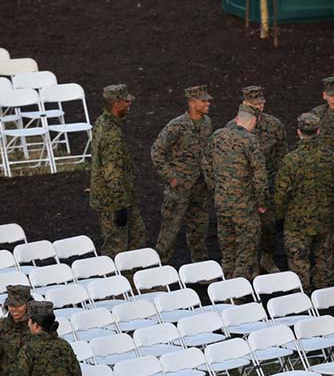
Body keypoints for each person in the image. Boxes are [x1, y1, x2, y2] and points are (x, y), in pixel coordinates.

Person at [273, 112, 334, 292]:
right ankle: (324, 297)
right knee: (325, 260)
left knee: (298, 261)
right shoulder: (331, 157)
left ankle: (302, 298)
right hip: (325, 220)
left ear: (298, 132)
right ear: (318, 131)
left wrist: (278, 216)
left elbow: (281, 193)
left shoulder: (290, 160)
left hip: (297, 222)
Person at [151, 85, 214, 264]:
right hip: (179, 189)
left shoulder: (207, 123)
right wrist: (171, 177)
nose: (208, 104)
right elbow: (157, 151)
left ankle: (201, 267)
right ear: (192, 103)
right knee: (169, 231)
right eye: (204, 101)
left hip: (200, 187)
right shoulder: (176, 126)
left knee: (199, 229)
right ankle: (160, 270)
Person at [203, 104, 267, 280]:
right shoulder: (250, 141)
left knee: (227, 246)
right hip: (244, 205)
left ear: (237, 118)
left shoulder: (217, 136)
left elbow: (206, 165)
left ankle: (226, 282)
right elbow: (259, 177)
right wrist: (262, 202)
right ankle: (238, 289)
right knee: (247, 246)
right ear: (253, 121)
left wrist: (216, 189)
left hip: (222, 203)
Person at [89, 83, 147, 257]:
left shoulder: (103, 121)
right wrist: (120, 207)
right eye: (126, 102)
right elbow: (111, 172)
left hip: (121, 196)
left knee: (137, 236)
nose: (129, 104)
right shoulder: (111, 134)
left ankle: (134, 277)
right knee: (117, 244)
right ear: (116, 104)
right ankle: (116, 280)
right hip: (114, 201)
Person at [238, 86, 287, 274]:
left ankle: (267, 258)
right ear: (244, 104)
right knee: (247, 229)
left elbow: (282, 154)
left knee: (268, 226)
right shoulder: (234, 128)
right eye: (253, 104)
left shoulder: (274, 125)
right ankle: (250, 265)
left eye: (260, 103)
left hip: (268, 186)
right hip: (244, 189)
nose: (258, 107)